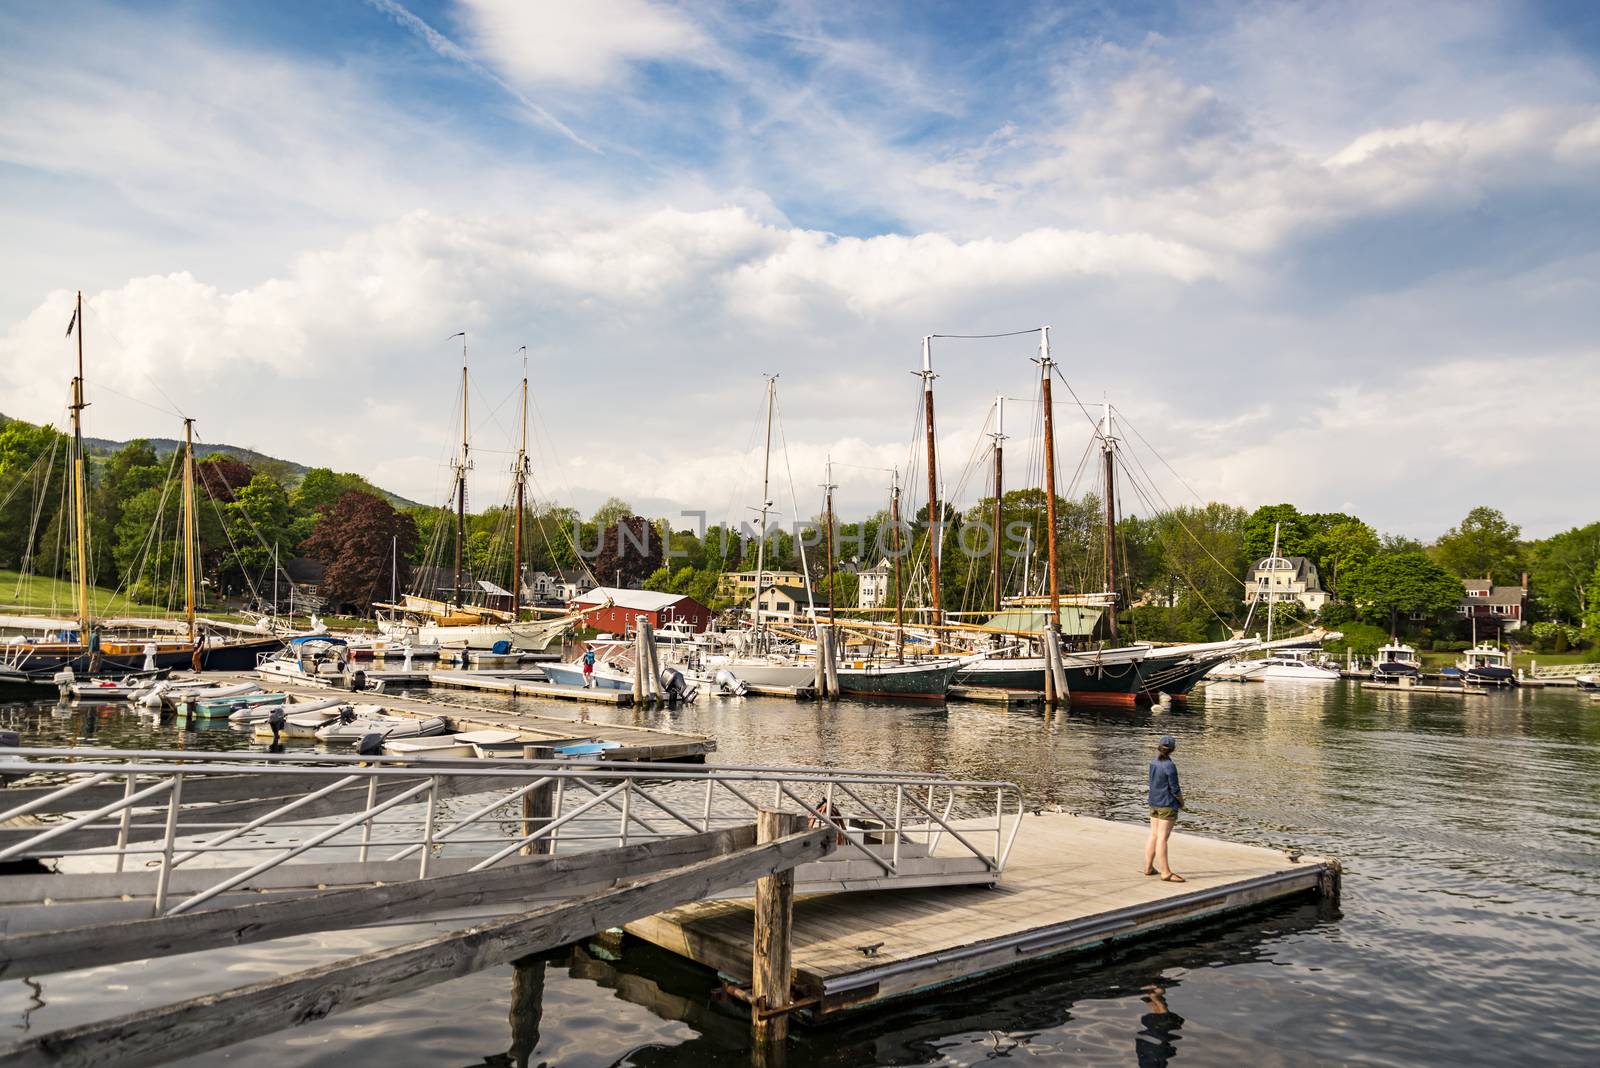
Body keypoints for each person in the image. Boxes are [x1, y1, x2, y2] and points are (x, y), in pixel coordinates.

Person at [1143, 734, 1185, 882]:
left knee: (1153, 835)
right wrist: (1181, 802)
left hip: (1153, 802)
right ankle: (1165, 872)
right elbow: (1175, 789)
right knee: (1162, 838)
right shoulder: (1170, 766)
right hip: (1167, 804)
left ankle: (1148, 867)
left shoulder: (1153, 762)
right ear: (1173, 749)